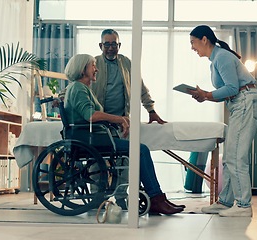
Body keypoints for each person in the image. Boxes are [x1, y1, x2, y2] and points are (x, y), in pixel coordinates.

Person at [63, 53, 183, 215]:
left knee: (140, 149)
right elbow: (90, 115)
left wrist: (120, 120)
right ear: (82, 69)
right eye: (93, 65)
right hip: (90, 140)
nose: (96, 69)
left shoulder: (80, 88)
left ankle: (156, 197)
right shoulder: (78, 88)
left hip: (92, 137)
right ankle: (156, 198)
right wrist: (119, 119)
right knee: (141, 150)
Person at [187, 25, 257, 217]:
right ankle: (226, 201)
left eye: (193, 43)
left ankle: (244, 205)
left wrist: (206, 94)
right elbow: (229, 91)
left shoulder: (222, 57)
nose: (192, 47)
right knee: (230, 156)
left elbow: (231, 88)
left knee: (236, 156)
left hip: (245, 103)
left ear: (204, 39)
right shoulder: (215, 61)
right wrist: (205, 96)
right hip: (239, 104)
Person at [91, 28, 166, 124]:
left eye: (114, 44)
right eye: (106, 44)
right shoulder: (93, 63)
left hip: (123, 120)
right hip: (100, 120)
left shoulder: (127, 63)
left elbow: (141, 88)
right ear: (100, 46)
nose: (110, 48)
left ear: (119, 45)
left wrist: (151, 111)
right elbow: (80, 84)